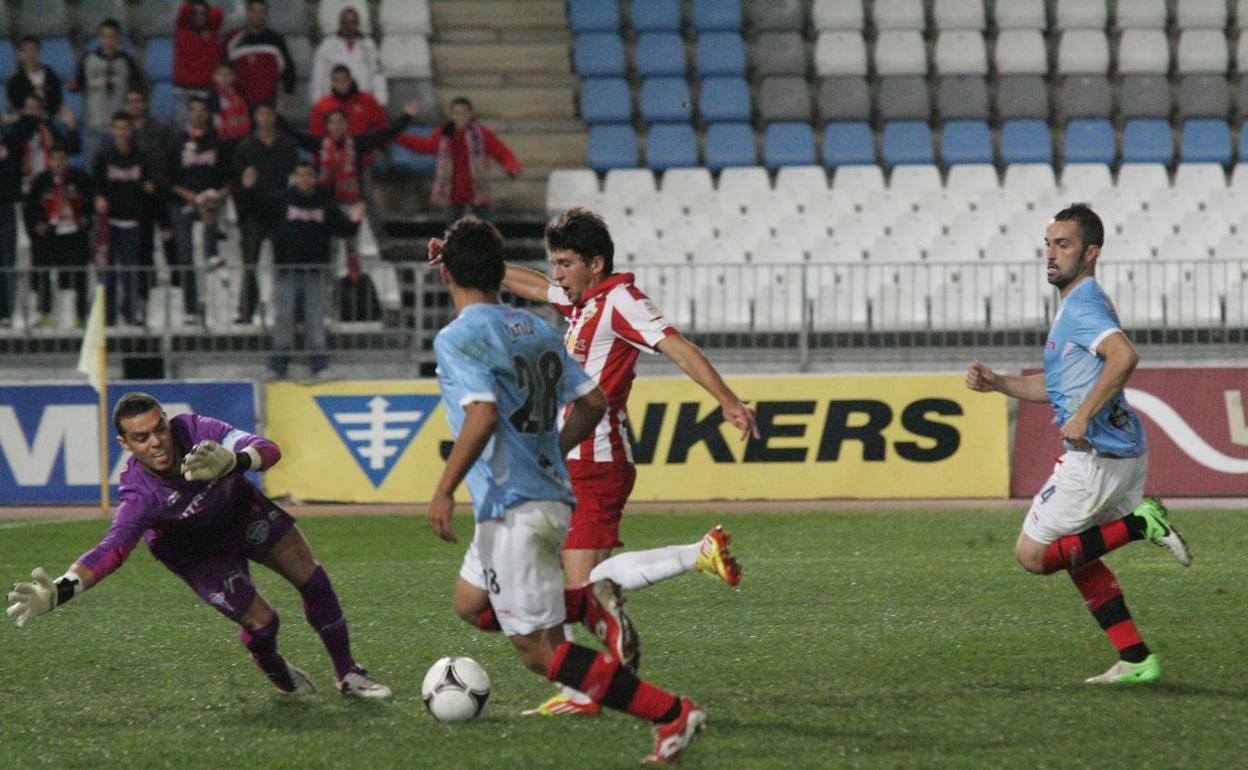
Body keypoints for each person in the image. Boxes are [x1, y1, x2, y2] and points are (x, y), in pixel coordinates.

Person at [441, 207, 756, 715]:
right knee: (571, 585)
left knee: (578, 585)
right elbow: (536, 287)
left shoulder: (621, 301)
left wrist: (726, 399)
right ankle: (692, 559)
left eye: (566, 263)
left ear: (596, 263)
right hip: (569, 457)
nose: (558, 273)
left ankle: (588, 687)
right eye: (556, 263)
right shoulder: (583, 298)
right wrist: (469, 265)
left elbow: (676, 346)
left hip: (598, 456)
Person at [5, 392, 391, 698]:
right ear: (126, 443)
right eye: (142, 437)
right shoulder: (141, 495)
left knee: (313, 578)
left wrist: (234, 461)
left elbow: (269, 449)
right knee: (265, 623)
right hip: (197, 553)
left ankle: (348, 674)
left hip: (242, 512)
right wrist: (61, 589)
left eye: (159, 429)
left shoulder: (197, 429)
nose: (157, 442)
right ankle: (270, 662)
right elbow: (113, 549)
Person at [965, 203, 1192, 684]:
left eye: (1062, 244)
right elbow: (1059, 385)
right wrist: (999, 383)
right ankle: (1136, 660)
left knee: (1032, 555)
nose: (1051, 254)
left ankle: (1140, 524)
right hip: (1122, 454)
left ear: (1091, 252)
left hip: (1098, 459)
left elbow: (1124, 357)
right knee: (1077, 552)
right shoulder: (1078, 304)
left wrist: (1084, 416)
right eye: (1047, 244)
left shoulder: (1084, 306)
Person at [238, 160, 362, 379]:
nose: (305, 179)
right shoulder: (281, 200)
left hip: (316, 273)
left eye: (309, 175)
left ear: (315, 178)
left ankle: (320, 367)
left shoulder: (325, 202)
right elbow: (254, 210)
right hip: (285, 271)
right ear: (294, 177)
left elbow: (344, 229)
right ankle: (277, 367)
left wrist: (355, 220)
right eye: (301, 175)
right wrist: (248, 189)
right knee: (283, 321)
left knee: (315, 322)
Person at [393, 96, 520, 225]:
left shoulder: (482, 134)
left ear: (470, 114)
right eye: (456, 113)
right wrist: (396, 137)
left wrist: (511, 167)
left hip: (476, 187)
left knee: (485, 226)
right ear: (451, 115)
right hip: (453, 190)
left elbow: (501, 152)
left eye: (464, 113)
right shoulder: (444, 134)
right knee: (452, 228)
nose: (460, 117)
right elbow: (424, 145)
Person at [230, 100, 297, 324]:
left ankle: (287, 311)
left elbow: (296, 178)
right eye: (261, 113)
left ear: (275, 116)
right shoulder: (246, 145)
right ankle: (246, 311)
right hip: (253, 212)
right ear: (255, 116)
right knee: (250, 262)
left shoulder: (286, 145)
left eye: (269, 113)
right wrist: (244, 201)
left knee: (285, 264)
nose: (265, 118)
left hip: (280, 213)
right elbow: (237, 183)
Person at [167, 96, 229, 324]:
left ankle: (213, 308)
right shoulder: (176, 142)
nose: (199, 115)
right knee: (184, 255)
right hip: (182, 204)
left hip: (210, 206)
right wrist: (187, 196)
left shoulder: (217, 143)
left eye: (203, 111)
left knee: (210, 256)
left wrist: (217, 196)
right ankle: (190, 308)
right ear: (188, 114)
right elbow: (167, 178)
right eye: (194, 110)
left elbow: (228, 178)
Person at [93, 111, 154, 325]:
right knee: (107, 275)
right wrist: (99, 199)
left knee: (130, 273)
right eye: (117, 128)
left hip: (133, 222)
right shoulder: (103, 157)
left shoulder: (141, 157)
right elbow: (97, 187)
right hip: (109, 224)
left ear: (131, 130)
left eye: (125, 128)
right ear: (112, 131)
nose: (121, 132)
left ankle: (129, 315)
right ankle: (108, 318)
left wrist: (148, 189)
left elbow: (148, 185)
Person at [23, 144, 93, 327]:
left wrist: (85, 218)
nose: (58, 163)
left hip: (74, 235)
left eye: (62, 159)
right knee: (44, 273)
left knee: (77, 275)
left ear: (67, 160)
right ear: (49, 161)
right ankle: (44, 313)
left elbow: (91, 202)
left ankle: (81, 315)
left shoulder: (80, 178)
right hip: (49, 236)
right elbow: (30, 208)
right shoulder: (41, 181)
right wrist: (37, 225)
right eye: (54, 159)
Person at [125, 88, 179, 310]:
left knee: (169, 238)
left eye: (139, 100)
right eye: (131, 101)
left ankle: (177, 284)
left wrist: (158, 182)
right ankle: (146, 291)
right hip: (138, 199)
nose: (135, 105)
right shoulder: (125, 132)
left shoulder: (160, 129)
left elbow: (171, 158)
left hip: (162, 195)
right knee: (143, 244)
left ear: (145, 103)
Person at [70, 18, 146, 165]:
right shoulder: (88, 59)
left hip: (119, 128)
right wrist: (73, 86)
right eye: (104, 36)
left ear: (117, 38)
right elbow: (77, 84)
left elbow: (137, 89)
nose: (107, 40)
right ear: (99, 37)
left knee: (118, 168)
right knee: (93, 168)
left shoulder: (126, 61)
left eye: (111, 36)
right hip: (94, 124)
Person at [0, 103, 43, 328]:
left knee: (7, 261)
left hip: (7, 208)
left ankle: (5, 312)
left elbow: (31, 123)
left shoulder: (11, 146)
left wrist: (15, 116)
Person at [225, 0, 296, 108]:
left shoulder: (276, 39)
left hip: (268, 101)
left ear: (266, 14)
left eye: (262, 12)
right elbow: (223, 69)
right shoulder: (233, 38)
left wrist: (289, 91)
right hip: (239, 102)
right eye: (254, 11)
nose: (258, 16)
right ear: (248, 13)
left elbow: (288, 67)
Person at [310, 6, 386, 105]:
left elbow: (377, 74)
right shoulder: (326, 45)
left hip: (361, 100)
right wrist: (317, 102)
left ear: (357, 24)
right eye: (345, 22)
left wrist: (380, 100)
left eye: (353, 22)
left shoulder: (368, 44)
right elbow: (318, 75)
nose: (349, 26)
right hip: (334, 101)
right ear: (340, 23)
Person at [173, 0, 224, 123]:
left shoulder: (212, 34)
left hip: (205, 89)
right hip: (183, 90)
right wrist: (192, 5)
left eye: (202, 14)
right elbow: (184, 11)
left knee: (207, 127)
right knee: (182, 127)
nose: (199, 17)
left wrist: (204, 7)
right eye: (195, 13)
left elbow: (218, 13)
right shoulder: (182, 31)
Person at [7, 35, 64, 115]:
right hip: (25, 121)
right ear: (19, 54)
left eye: (33, 50)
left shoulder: (51, 76)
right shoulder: (14, 80)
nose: (30, 54)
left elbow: (58, 101)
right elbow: (13, 107)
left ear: (39, 52)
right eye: (26, 51)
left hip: (49, 118)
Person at [207, 62, 251, 154]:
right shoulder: (209, 98)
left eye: (227, 74)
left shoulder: (241, 97)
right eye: (220, 74)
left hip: (238, 140)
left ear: (233, 77)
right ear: (214, 77)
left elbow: (245, 120)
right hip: (216, 141)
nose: (224, 78)